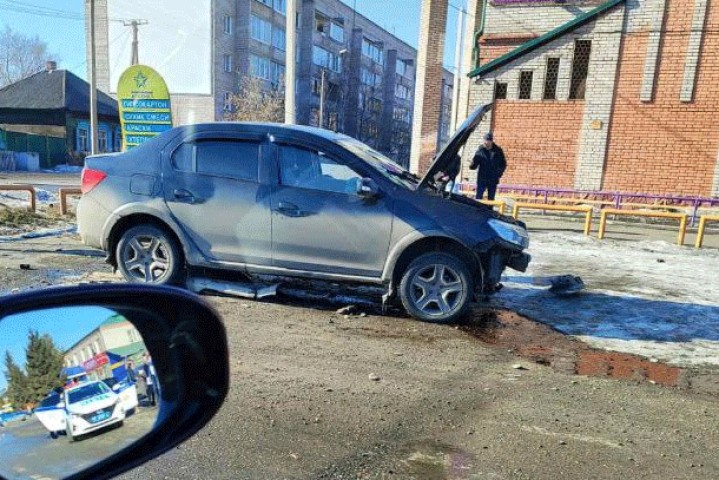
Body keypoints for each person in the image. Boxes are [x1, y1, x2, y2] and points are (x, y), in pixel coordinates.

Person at [469, 132, 506, 201]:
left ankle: (489, 211)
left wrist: (498, 174)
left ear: (491, 141)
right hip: (482, 178)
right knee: (478, 197)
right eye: (485, 140)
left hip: (493, 179)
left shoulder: (498, 151)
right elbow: (474, 166)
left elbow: (503, 164)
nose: (486, 142)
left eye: (488, 140)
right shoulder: (480, 150)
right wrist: (472, 164)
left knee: (491, 199)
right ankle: (477, 211)